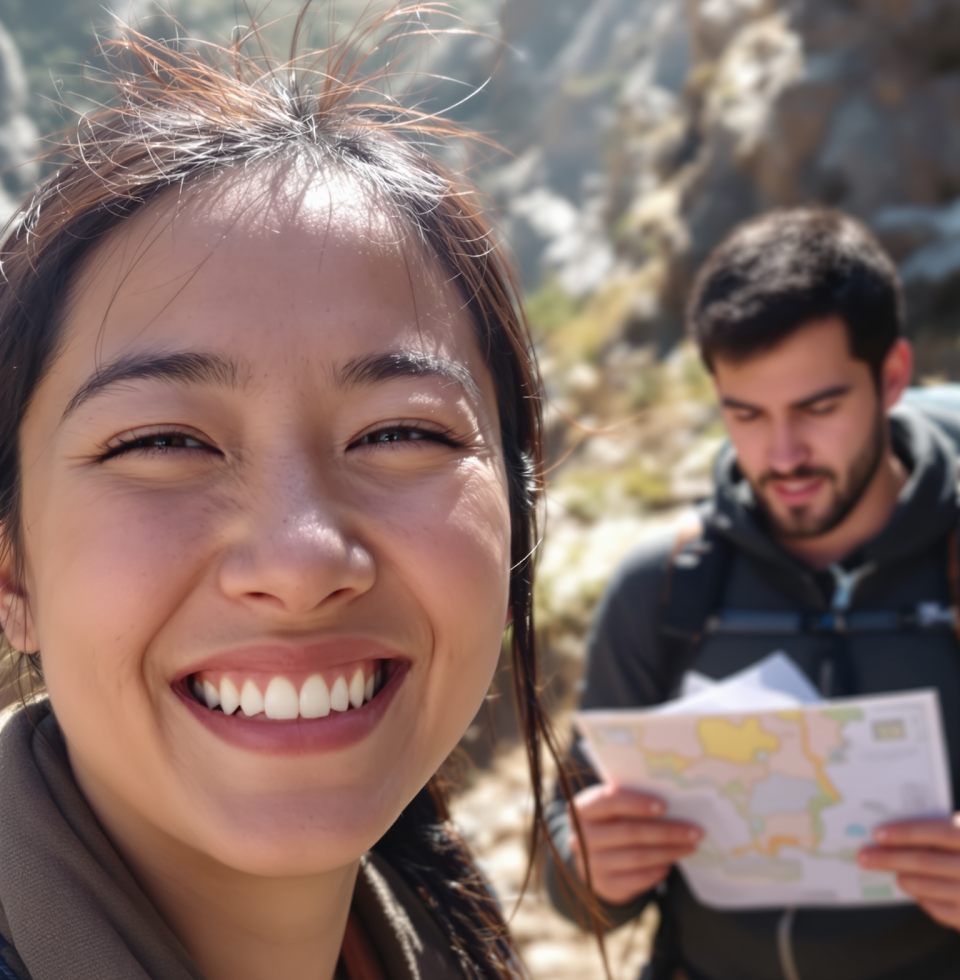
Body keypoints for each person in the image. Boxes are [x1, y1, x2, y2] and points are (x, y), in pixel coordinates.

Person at [0, 5, 579, 978]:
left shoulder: (445, 928)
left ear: (519, 512)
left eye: (399, 432)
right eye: (163, 441)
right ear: (12, 570)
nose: (302, 561)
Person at [545, 208, 960, 980]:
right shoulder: (663, 585)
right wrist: (590, 866)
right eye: (746, 415)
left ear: (893, 376)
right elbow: (568, 856)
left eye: (817, 409)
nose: (783, 454)